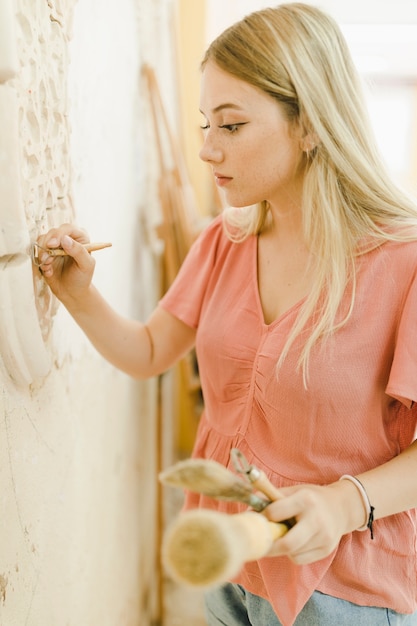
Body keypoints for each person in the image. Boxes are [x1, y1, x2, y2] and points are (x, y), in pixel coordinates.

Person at [36, 3, 417, 625]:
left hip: (342, 591)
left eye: (232, 126)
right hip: (230, 575)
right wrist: (77, 293)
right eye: (205, 124)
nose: (208, 150)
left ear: (311, 124)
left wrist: (345, 505)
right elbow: (149, 352)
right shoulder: (225, 241)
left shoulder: (404, 263)